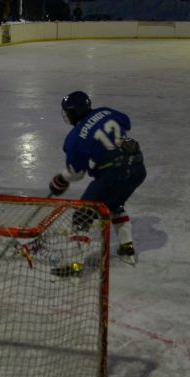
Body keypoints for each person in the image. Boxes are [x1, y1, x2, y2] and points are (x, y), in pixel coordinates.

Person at [48, 91, 146, 267]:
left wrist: (61, 178)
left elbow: (77, 173)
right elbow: (126, 122)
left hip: (113, 174)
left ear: (73, 112)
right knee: (115, 204)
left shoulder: (74, 138)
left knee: (82, 216)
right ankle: (127, 249)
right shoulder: (105, 111)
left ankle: (74, 265)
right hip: (137, 168)